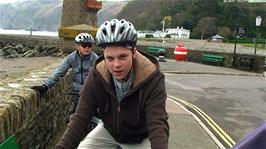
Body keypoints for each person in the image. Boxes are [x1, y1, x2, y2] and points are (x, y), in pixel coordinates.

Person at [56, 19, 169, 149]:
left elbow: (157, 123)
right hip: (109, 132)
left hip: (139, 137)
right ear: (103, 55)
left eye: (122, 57)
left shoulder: (153, 77)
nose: (116, 65)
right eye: (109, 58)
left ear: (133, 52)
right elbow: (80, 118)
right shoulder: (97, 74)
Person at [31, 33, 99, 124]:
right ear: (77, 46)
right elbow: (59, 72)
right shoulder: (71, 58)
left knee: (96, 116)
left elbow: (102, 76)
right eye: (84, 45)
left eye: (89, 45)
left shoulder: (95, 59)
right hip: (77, 90)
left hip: (91, 90)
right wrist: (45, 86)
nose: (87, 48)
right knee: (72, 117)